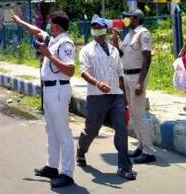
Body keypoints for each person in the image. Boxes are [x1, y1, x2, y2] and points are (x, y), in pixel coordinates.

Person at [11, 11, 76, 189]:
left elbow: (70, 71)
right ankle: (52, 166)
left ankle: (67, 173)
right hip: (49, 89)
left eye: (49, 22)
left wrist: (48, 55)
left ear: (56, 25)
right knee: (52, 130)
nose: (47, 25)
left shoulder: (65, 43)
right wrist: (19, 21)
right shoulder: (53, 40)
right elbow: (36, 31)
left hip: (59, 89)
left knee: (63, 131)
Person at [77, 16, 137, 181]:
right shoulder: (87, 50)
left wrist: (124, 99)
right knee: (92, 130)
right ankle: (81, 150)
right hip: (97, 96)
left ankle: (124, 167)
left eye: (100, 28)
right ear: (91, 31)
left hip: (116, 95)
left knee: (121, 130)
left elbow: (120, 75)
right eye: (94, 28)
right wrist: (98, 83)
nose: (98, 32)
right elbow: (83, 71)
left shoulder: (114, 50)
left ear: (105, 30)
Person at [111, 9, 156, 164]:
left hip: (137, 76)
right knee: (133, 114)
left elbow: (147, 58)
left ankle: (149, 151)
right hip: (127, 75)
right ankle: (141, 146)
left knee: (139, 114)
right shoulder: (129, 35)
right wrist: (115, 40)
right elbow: (120, 54)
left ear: (135, 19)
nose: (125, 20)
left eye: (128, 17)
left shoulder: (143, 34)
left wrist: (140, 82)